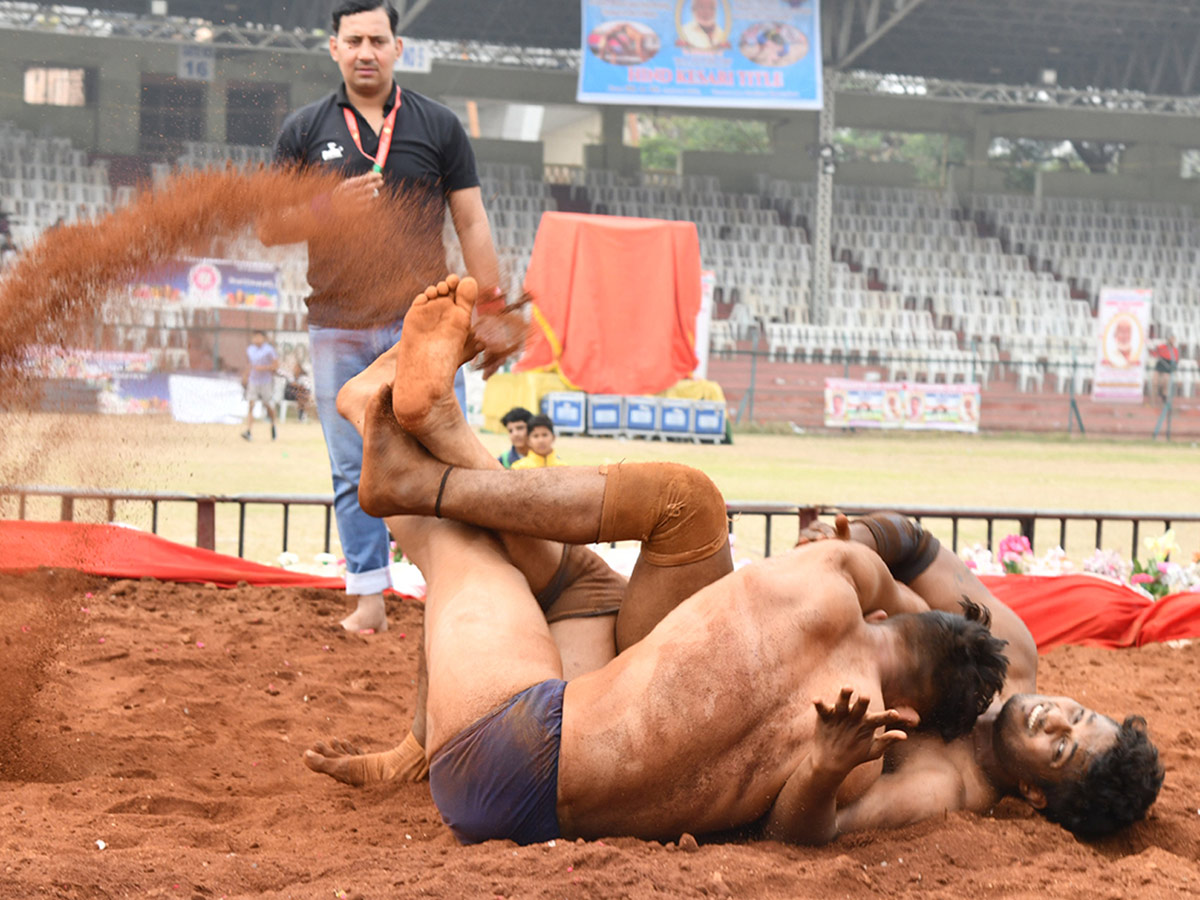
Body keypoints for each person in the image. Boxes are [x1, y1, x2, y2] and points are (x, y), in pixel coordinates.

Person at [309, 275, 1163, 843]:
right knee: (576, 573)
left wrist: (827, 763)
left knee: (466, 539)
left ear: (1039, 797)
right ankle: (437, 435)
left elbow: (805, 832)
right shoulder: (1005, 652)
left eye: (1062, 746)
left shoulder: (942, 779)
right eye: (1078, 715)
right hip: (613, 694)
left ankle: (412, 455)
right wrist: (858, 542)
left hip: (535, 748)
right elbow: (911, 540)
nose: (1056, 718)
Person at [262, 0, 502, 633]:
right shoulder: (304, 129)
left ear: (398, 48)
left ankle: (463, 591)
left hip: (419, 324)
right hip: (336, 323)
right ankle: (369, 597)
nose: (365, 51)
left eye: (377, 39)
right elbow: (267, 225)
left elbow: (470, 219)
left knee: (447, 457)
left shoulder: (440, 125)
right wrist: (326, 209)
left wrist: (491, 304)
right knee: (353, 466)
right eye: (353, 40)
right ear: (333, 49)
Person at [241, 330, 279, 441]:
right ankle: (249, 431)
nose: (256, 339)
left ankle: (273, 425)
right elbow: (250, 365)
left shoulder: (269, 350)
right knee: (251, 404)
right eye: (255, 337)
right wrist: (245, 376)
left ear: (263, 338)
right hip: (253, 381)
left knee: (267, 405)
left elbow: (276, 365)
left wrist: (263, 368)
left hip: (265, 381)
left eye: (259, 337)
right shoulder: (250, 349)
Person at [1151, 333, 1179, 403]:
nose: (1172, 341)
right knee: (1154, 382)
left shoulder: (1175, 350)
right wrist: (1153, 350)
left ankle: (1164, 396)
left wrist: (1173, 369)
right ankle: (1153, 400)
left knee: (1165, 381)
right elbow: (1154, 353)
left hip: (1168, 367)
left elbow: (1175, 361)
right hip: (1159, 365)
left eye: (1173, 339)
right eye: (1171, 339)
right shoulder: (1161, 347)